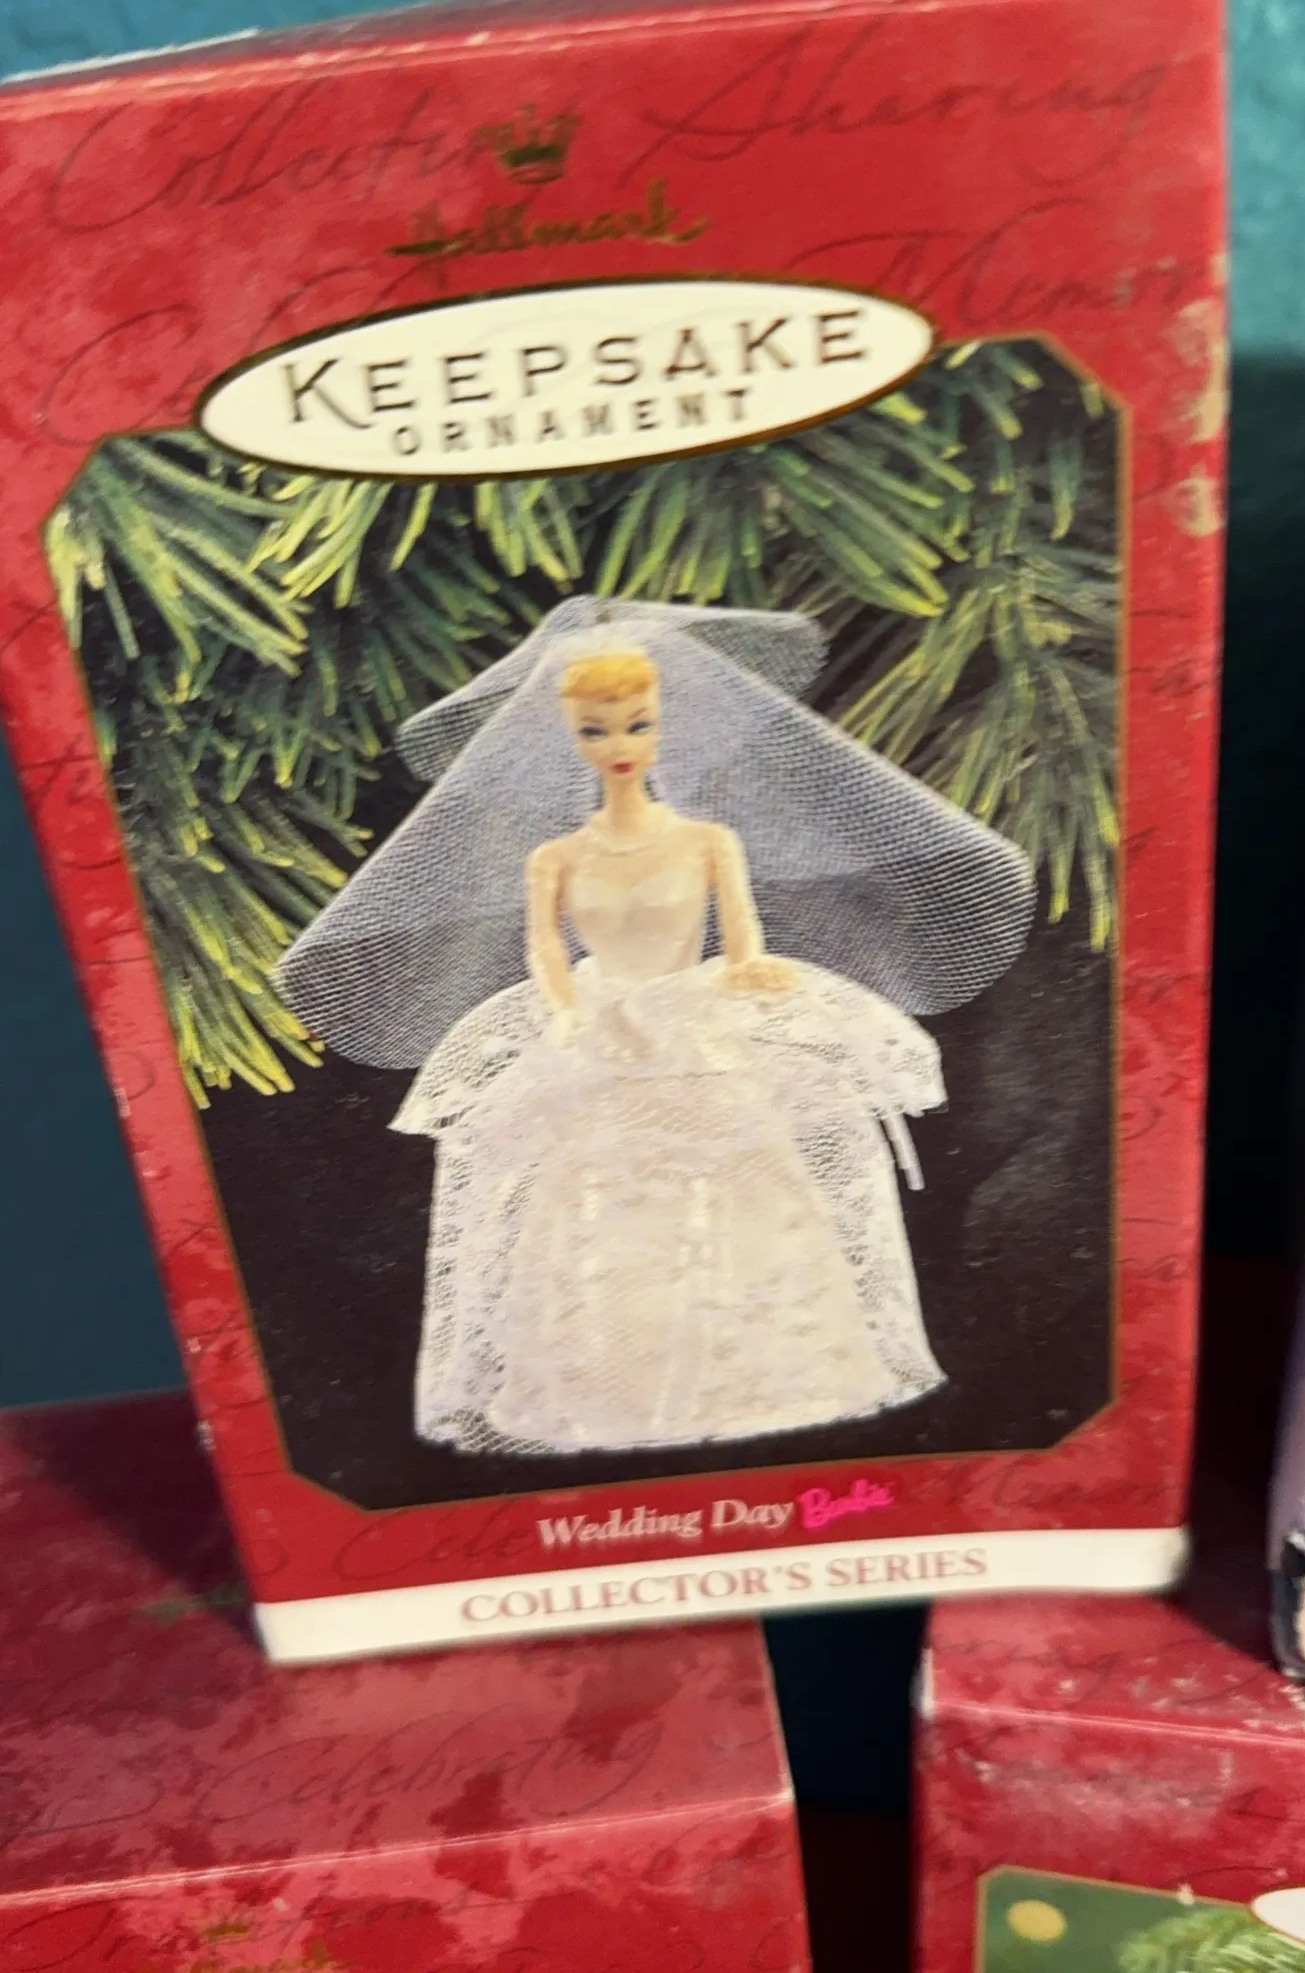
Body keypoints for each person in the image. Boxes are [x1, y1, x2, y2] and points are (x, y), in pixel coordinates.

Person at [277, 597, 1035, 1455]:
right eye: (597, 730)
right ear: (571, 737)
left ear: (661, 725)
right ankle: (609, 1386)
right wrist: (567, 1014)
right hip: (600, 1034)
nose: (620, 745)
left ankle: (762, 1377)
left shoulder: (708, 841)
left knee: (742, 1184)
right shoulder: (555, 857)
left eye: (637, 724)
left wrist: (752, 972)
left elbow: (740, 938)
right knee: (594, 1203)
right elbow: (545, 950)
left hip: (698, 1029)